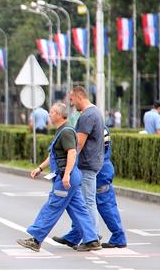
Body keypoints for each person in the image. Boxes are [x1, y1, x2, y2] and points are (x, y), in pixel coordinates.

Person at [17, 102, 101, 252]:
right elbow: (54, 155)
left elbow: (72, 153)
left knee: (52, 207)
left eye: (52, 112)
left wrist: (67, 174)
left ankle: (36, 239)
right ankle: (92, 240)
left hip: (65, 177)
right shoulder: (61, 131)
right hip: (68, 176)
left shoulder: (67, 132)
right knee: (79, 210)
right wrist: (40, 168)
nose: (49, 115)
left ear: (60, 115)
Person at [53, 86, 104, 249]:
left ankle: (92, 237)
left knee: (87, 202)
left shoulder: (87, 116)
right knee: (79, 202)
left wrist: (70, 166)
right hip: (93, 162)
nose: (71, 103)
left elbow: (78, 144)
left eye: (72, 99)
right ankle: (74, 236)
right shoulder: (96, 112)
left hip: (86, 164)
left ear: (79, 97)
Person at [63, 127, 127, 249]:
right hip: (100, 169)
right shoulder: (99, 127)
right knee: (83, 204)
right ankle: (74, 236)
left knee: (103, 205)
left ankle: (114, 237)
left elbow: (91, 150)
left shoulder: (95, 129)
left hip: (99, 171)